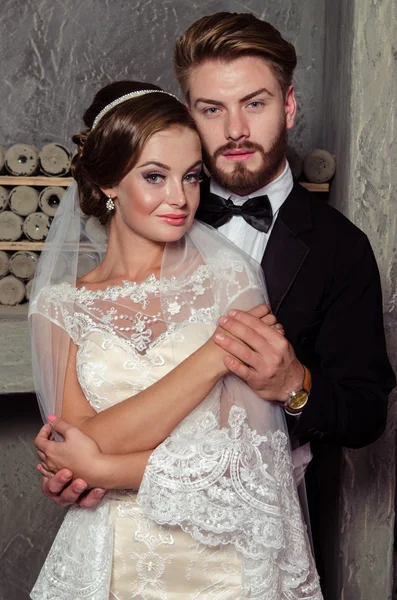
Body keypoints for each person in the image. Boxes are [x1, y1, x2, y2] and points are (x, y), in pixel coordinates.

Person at [37, 11, 395, 591]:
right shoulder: (159, 207)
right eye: (210, 109)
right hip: (123, 540)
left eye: (254, 103)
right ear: (187, 113)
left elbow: (366, 413)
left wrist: (296, 385)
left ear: (289, 106)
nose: (234, 129)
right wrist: (69, 464)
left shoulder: (340, 248)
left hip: (249, 537)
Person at [30, 81, 322, 599]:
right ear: (108, 184)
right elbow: (80, 442)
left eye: (191, 177)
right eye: (154, 176)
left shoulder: (230, 279)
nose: (180, 198)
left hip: (220, 566)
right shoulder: (59, 307)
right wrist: (212, 359)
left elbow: (248, 462)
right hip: (110, 560)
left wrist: (103, 468)